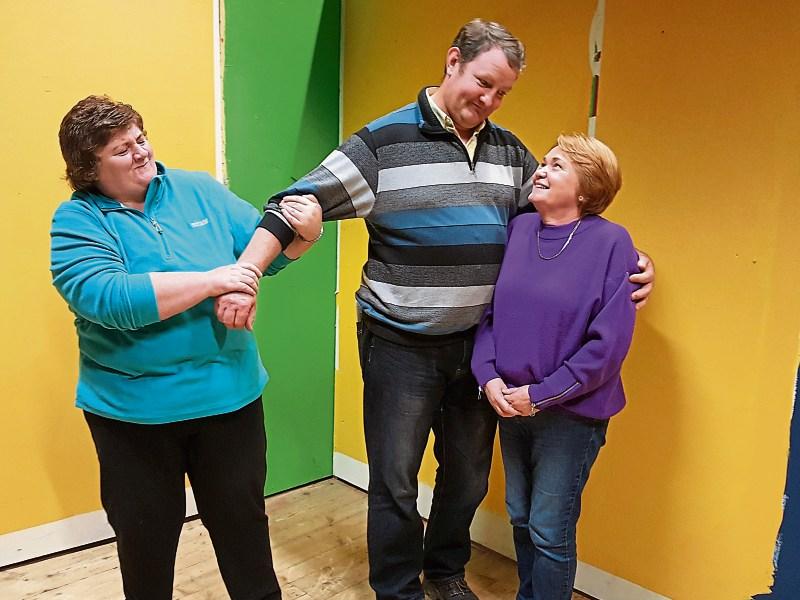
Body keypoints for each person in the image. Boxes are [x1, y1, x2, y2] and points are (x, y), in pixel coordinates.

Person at [218, 20, 655, 600]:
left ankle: (445, 572)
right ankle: (398, 588)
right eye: (484, 82)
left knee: (468, 478)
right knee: (396, 481)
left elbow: (572, 214)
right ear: (453, 62)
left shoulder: (509, 152)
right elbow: (293, 204)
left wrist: (631, 261)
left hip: (478, 351)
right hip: (401, 344)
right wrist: (248, 274)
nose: (491, 100)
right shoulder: (382, 144)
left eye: (503, 92)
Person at [50, 95, 322, 600]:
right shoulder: (77, 223)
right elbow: (112, 300)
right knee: (147, 540)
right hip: (133, 416)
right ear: (88, 167)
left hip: (229, 400)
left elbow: (257, 254)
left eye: (140, 138)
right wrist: (214, 281)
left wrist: (300, 240)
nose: (140, 152)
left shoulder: (199, 190)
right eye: (120, 150)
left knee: (243, 528)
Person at [471, 134, 637, 600]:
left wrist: (540, 395)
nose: (540, 171)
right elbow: (490, 315)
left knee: (549, 528)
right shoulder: (520, 229)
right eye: (543, 163)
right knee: (520, 517)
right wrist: (490, 379)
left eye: (556, 166)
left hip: (571, 414)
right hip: (512, 404)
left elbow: (607, 348)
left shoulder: (611, 242)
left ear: (587, 189)